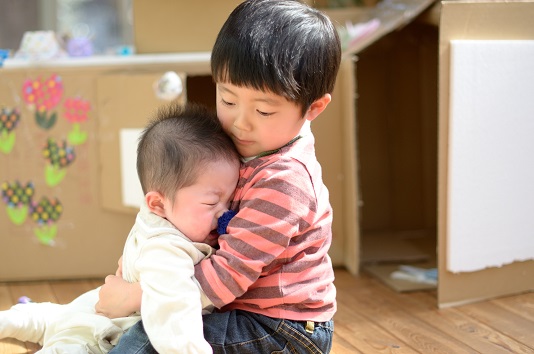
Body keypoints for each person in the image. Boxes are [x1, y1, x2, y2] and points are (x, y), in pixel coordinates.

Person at [97, 0, 342, 352]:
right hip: (239, 308)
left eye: (263, 110)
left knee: (147, 341)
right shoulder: (251, 144)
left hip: (285, 329)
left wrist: (136, 297)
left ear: (312, 109)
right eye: (228, 101)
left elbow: (229, 273)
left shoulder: (285, 180)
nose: (241, 122)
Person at [0, 102, 240, 353]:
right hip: (98, 334)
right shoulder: (167, 251)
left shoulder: (159, 215)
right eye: (211, 202)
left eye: (230, 199)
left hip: (91, 305)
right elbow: (174, 318)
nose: (224, 212)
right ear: (157, 203)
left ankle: (12, 320)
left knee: (49, 319)